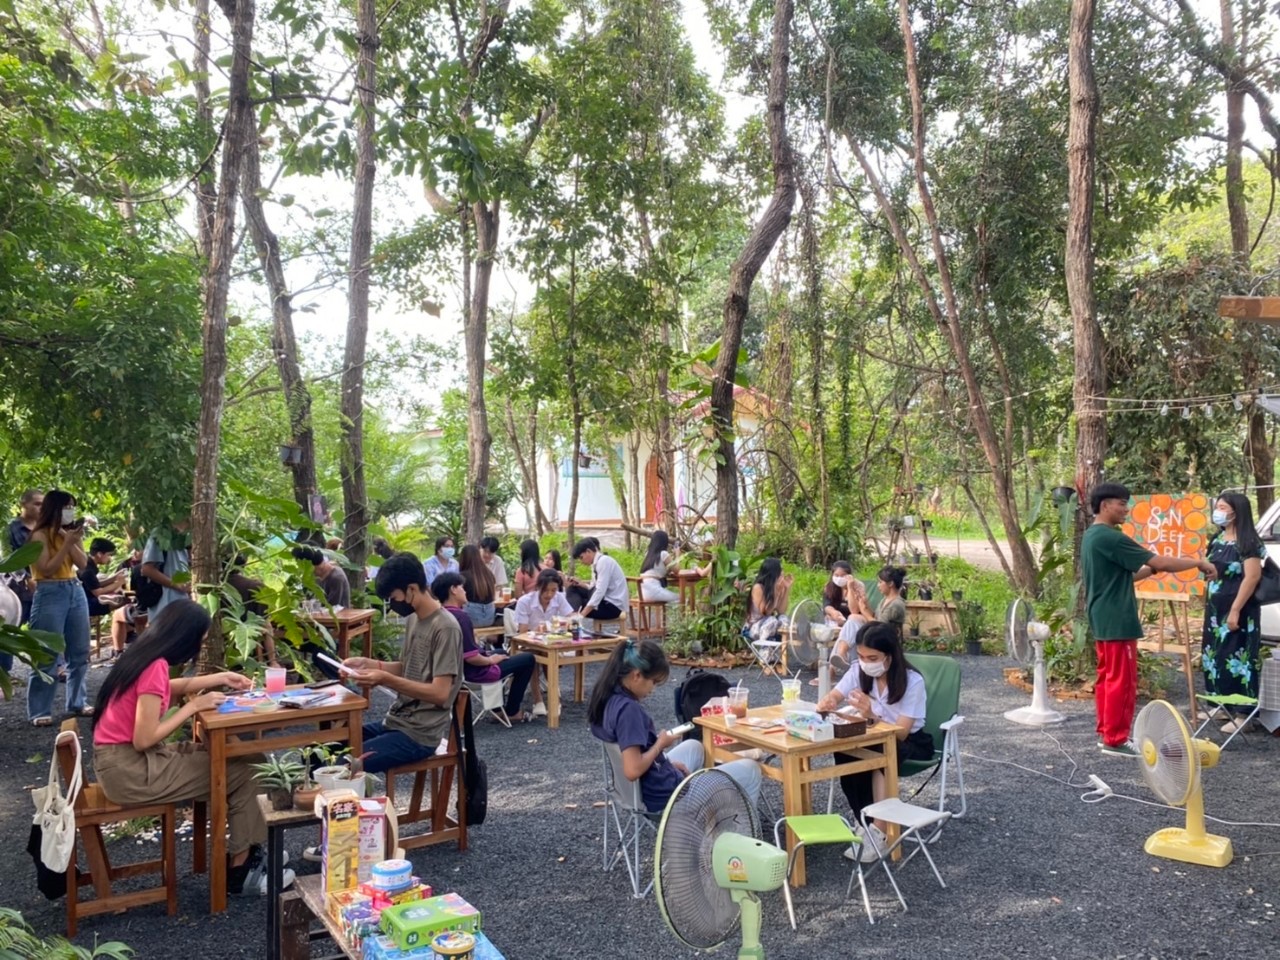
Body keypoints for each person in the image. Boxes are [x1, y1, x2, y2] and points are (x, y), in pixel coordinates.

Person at [89, 600, 292, 896]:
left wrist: (220, 678)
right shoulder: (154, 666)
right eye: (199, 639)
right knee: (249, 770)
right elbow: (143, 739)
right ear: (184, 638)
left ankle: (246, 852)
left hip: (121, 764)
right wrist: (194, 706)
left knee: (244, 757)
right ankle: (240, 871)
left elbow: (163, 687)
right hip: (133, 771)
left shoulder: (141, 655)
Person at [1082, 482, 1217, 756]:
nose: (1126, 509)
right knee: (1122, 680)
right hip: (1117, 619)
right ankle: (1116, 739)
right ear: (1105, 505)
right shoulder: (1111, 537)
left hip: (1102, 616)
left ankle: (1107, 732)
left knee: (1108, 677)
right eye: (1122, 504)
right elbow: (1162, 561)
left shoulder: (1092, 536)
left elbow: (1125, 577)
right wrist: (1198, 563)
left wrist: (1152, 571)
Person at [588, 637, 761, 813]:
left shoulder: (607, 698)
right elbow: (633, 770)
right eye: (654, 682)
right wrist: (660, 745)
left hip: (645, 786)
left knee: (695, 746)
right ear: (637, 675)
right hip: (664, 799)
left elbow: (634, 755)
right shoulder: (628, 711)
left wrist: (666, 765)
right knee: (751, 769)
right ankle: (731, 826)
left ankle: (707, 814)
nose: (652, 689)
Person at [818, 622, 933, 861]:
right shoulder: (858, 670)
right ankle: (863, 819)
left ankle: (879, 830)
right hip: (872, 734)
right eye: (861, 656)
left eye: (872, 658)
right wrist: (829, 700)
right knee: (845, 750)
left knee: (879, 751)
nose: (866, 663)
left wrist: (870, 714)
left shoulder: (912, 681)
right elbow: (836, 694)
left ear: (889, 656)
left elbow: (901, 733)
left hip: (909, 742)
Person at [341, 554, 463, 774]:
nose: (393, 604)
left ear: (412, 589)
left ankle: (352, 795)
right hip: (396, 722)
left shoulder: (445, 628)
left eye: (393, 597)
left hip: (419, 734)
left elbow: (440, 693)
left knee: (341, 765)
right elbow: (408, 668)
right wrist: (369, 664)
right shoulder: (414, 618)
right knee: (323, 749)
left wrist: (385, 679)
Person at [433, 571, 539, 723]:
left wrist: (489, 653)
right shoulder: (461, 617)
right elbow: (471, 657)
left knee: (501, 652)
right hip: (473, 673)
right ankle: (512, 711)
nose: (465, 591)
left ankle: (497, 709)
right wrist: (490, 660)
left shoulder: (440, 615)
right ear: (453, 590)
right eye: (462, 587)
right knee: (528, 659)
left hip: (454, 671)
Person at [25, 490, 92, 725]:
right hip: (50, 591)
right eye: (66, 507)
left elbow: (83, 564)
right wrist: (66, 544)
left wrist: (69, 539)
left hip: (75, 589)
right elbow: (46, 569)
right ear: (54, 508)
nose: (70, 511)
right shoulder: (39, 535)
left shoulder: (71, 533)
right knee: (47, 653)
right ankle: (40, 711)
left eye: (72, 507)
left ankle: (77, 702)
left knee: (80, 651)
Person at [1201, 492, 1265, 733]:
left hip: (1240, 608)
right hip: (1215, 610)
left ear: (1236, 512)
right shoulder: (1217, 538)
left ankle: (1244, 714)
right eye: (1217, 506)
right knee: (1214, 656)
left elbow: (1252, 577)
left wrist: (1235, 610)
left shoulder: (1249, 542)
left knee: (1239, 658)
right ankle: (1220, 703)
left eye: (1222, 507)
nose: (1217, 511)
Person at [140, 519, 192, 618]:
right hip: (166, 605)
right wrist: (178, 585)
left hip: (184, 604)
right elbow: (147, 569)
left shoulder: (188, 537)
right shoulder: (161, 534)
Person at [572, 538, 629, 623]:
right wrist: (581, 584)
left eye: (581, 557)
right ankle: (573, 618)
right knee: (573, 589)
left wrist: (582, 614)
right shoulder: (596, 563)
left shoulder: (604, 562)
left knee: (577, 605)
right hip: (605, 602)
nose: (581, 561)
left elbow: (599, 591)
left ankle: (574, 620)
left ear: (588, 551)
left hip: (613, 607)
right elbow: (594, 587)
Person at [80, 536, 128, 621]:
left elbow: (95, 585)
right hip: (85, 603)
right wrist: (119, 583)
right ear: (99, 554)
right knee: (125, 600)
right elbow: (98, 592)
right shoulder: (88, 570)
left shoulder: (90, 565)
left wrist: (114, 578)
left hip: (87, 598)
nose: (110, 558)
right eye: (108, 555)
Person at [745, 557, 793, 639]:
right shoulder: (758, 588)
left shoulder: (777, 588)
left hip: (768, 626)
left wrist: (786, 589)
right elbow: (766, 612)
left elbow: (781, 611)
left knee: (784, 619)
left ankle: (783, 644)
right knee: (771, 620)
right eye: (780, 571)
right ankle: (763, 645)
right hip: (753, 627)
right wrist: (775, 591)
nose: (782, 573)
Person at [458, 543, 497, 627]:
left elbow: (458, 599)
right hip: (489, 618)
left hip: (471, 619)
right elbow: (493, 596)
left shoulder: (462, 576)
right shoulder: (489, 573)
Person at [638, 530, 680, 604]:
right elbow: (677, 570)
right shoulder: (663, 554)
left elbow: (657, 570)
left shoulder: (648, 554)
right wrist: (677, 555)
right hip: (653, 591)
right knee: (681, 598)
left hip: (642, 592)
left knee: (674, 598)